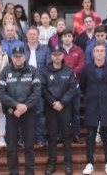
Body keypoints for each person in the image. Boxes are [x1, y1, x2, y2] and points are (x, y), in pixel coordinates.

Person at [0, 45, 42, 175]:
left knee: (29, 146)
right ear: (12, 57)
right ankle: (13, 172)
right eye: (15, 56)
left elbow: (37, 92)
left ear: (25, 57)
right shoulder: (5, 71)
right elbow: (1, 94)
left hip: (28, 112)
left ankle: (29, 172)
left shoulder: (32, 71)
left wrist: (25, 106)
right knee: (11, 146)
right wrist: (16, 105)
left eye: (20, 56)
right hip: (12, 112)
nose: (18, 58)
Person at [80, 44, 107, 175]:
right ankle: (89, 163)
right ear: (93, 53)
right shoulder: (86, 69)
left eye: (101, 51)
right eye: (96, 51)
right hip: (91, 105)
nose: (99, 53)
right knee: (90, 135)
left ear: (105, 53)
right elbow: (82, 87)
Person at [42, 46, 78, 175]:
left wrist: (62, 102)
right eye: (54, 55)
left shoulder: (68, 71)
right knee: (52, 137)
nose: (57, 57)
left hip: (65, 107)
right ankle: (51, 163)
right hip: (51, 108)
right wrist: (53, 102)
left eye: (59, 55)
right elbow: (43, 89)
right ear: (51, 56)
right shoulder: (45, 71)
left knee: (66, 136)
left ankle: (68, 163)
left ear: (63, 56)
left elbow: (72, 88)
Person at [24, 27, 51, 147]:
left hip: (38, 86)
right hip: (24, 86)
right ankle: (25, 138)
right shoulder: (21, 49)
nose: (32, 36)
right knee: (25, 113)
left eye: (34, 34)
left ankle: (41, 138)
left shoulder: (45, 50)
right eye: (30, 34)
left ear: (38, 35)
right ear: (27, 36)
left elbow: (48, 67)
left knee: (40, 112)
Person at [60, 29, 86, 143]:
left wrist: (70, 72)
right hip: (60, 88)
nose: (67, 38)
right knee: (61, 113)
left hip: (75, 86)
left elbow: (82, 65)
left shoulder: (79, 50)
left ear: (72, 38)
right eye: (65, 36)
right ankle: (62, 135)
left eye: (69, 36)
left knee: (75, 112)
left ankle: (76, 135)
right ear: (62, 38)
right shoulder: (57, 50)